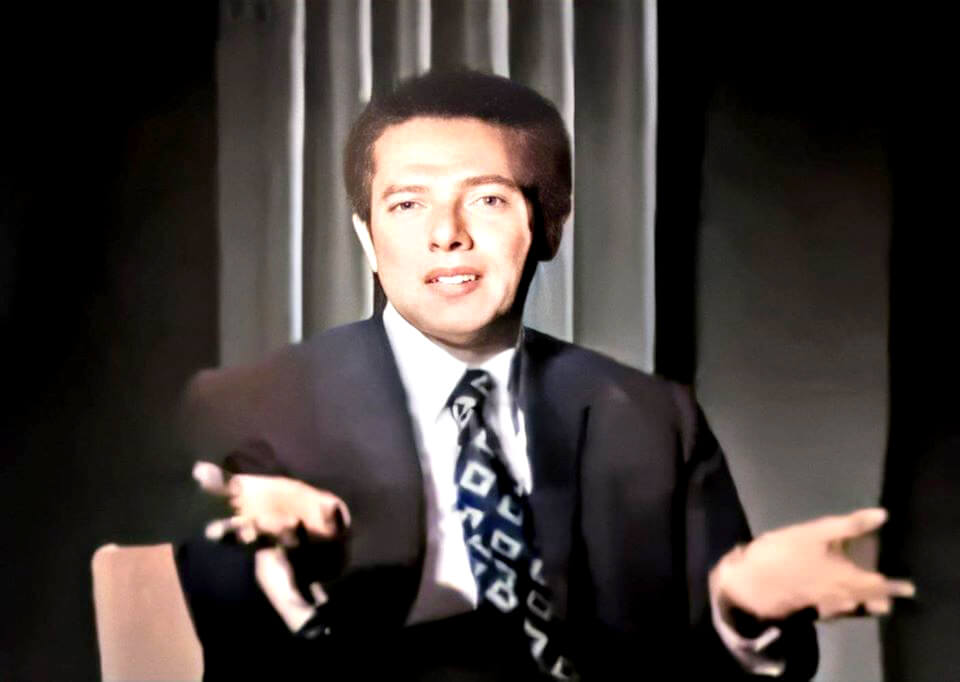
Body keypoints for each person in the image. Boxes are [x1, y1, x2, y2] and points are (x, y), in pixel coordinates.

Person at [175, 70, 912, 680]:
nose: (446, 234)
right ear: (368, 237)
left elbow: (720, 667)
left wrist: (740, 608)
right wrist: (268, 556)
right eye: (407, 204)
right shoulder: (250, 409)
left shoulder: (652, 419)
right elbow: (207, 621)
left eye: (487, 199)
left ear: (549, 225)